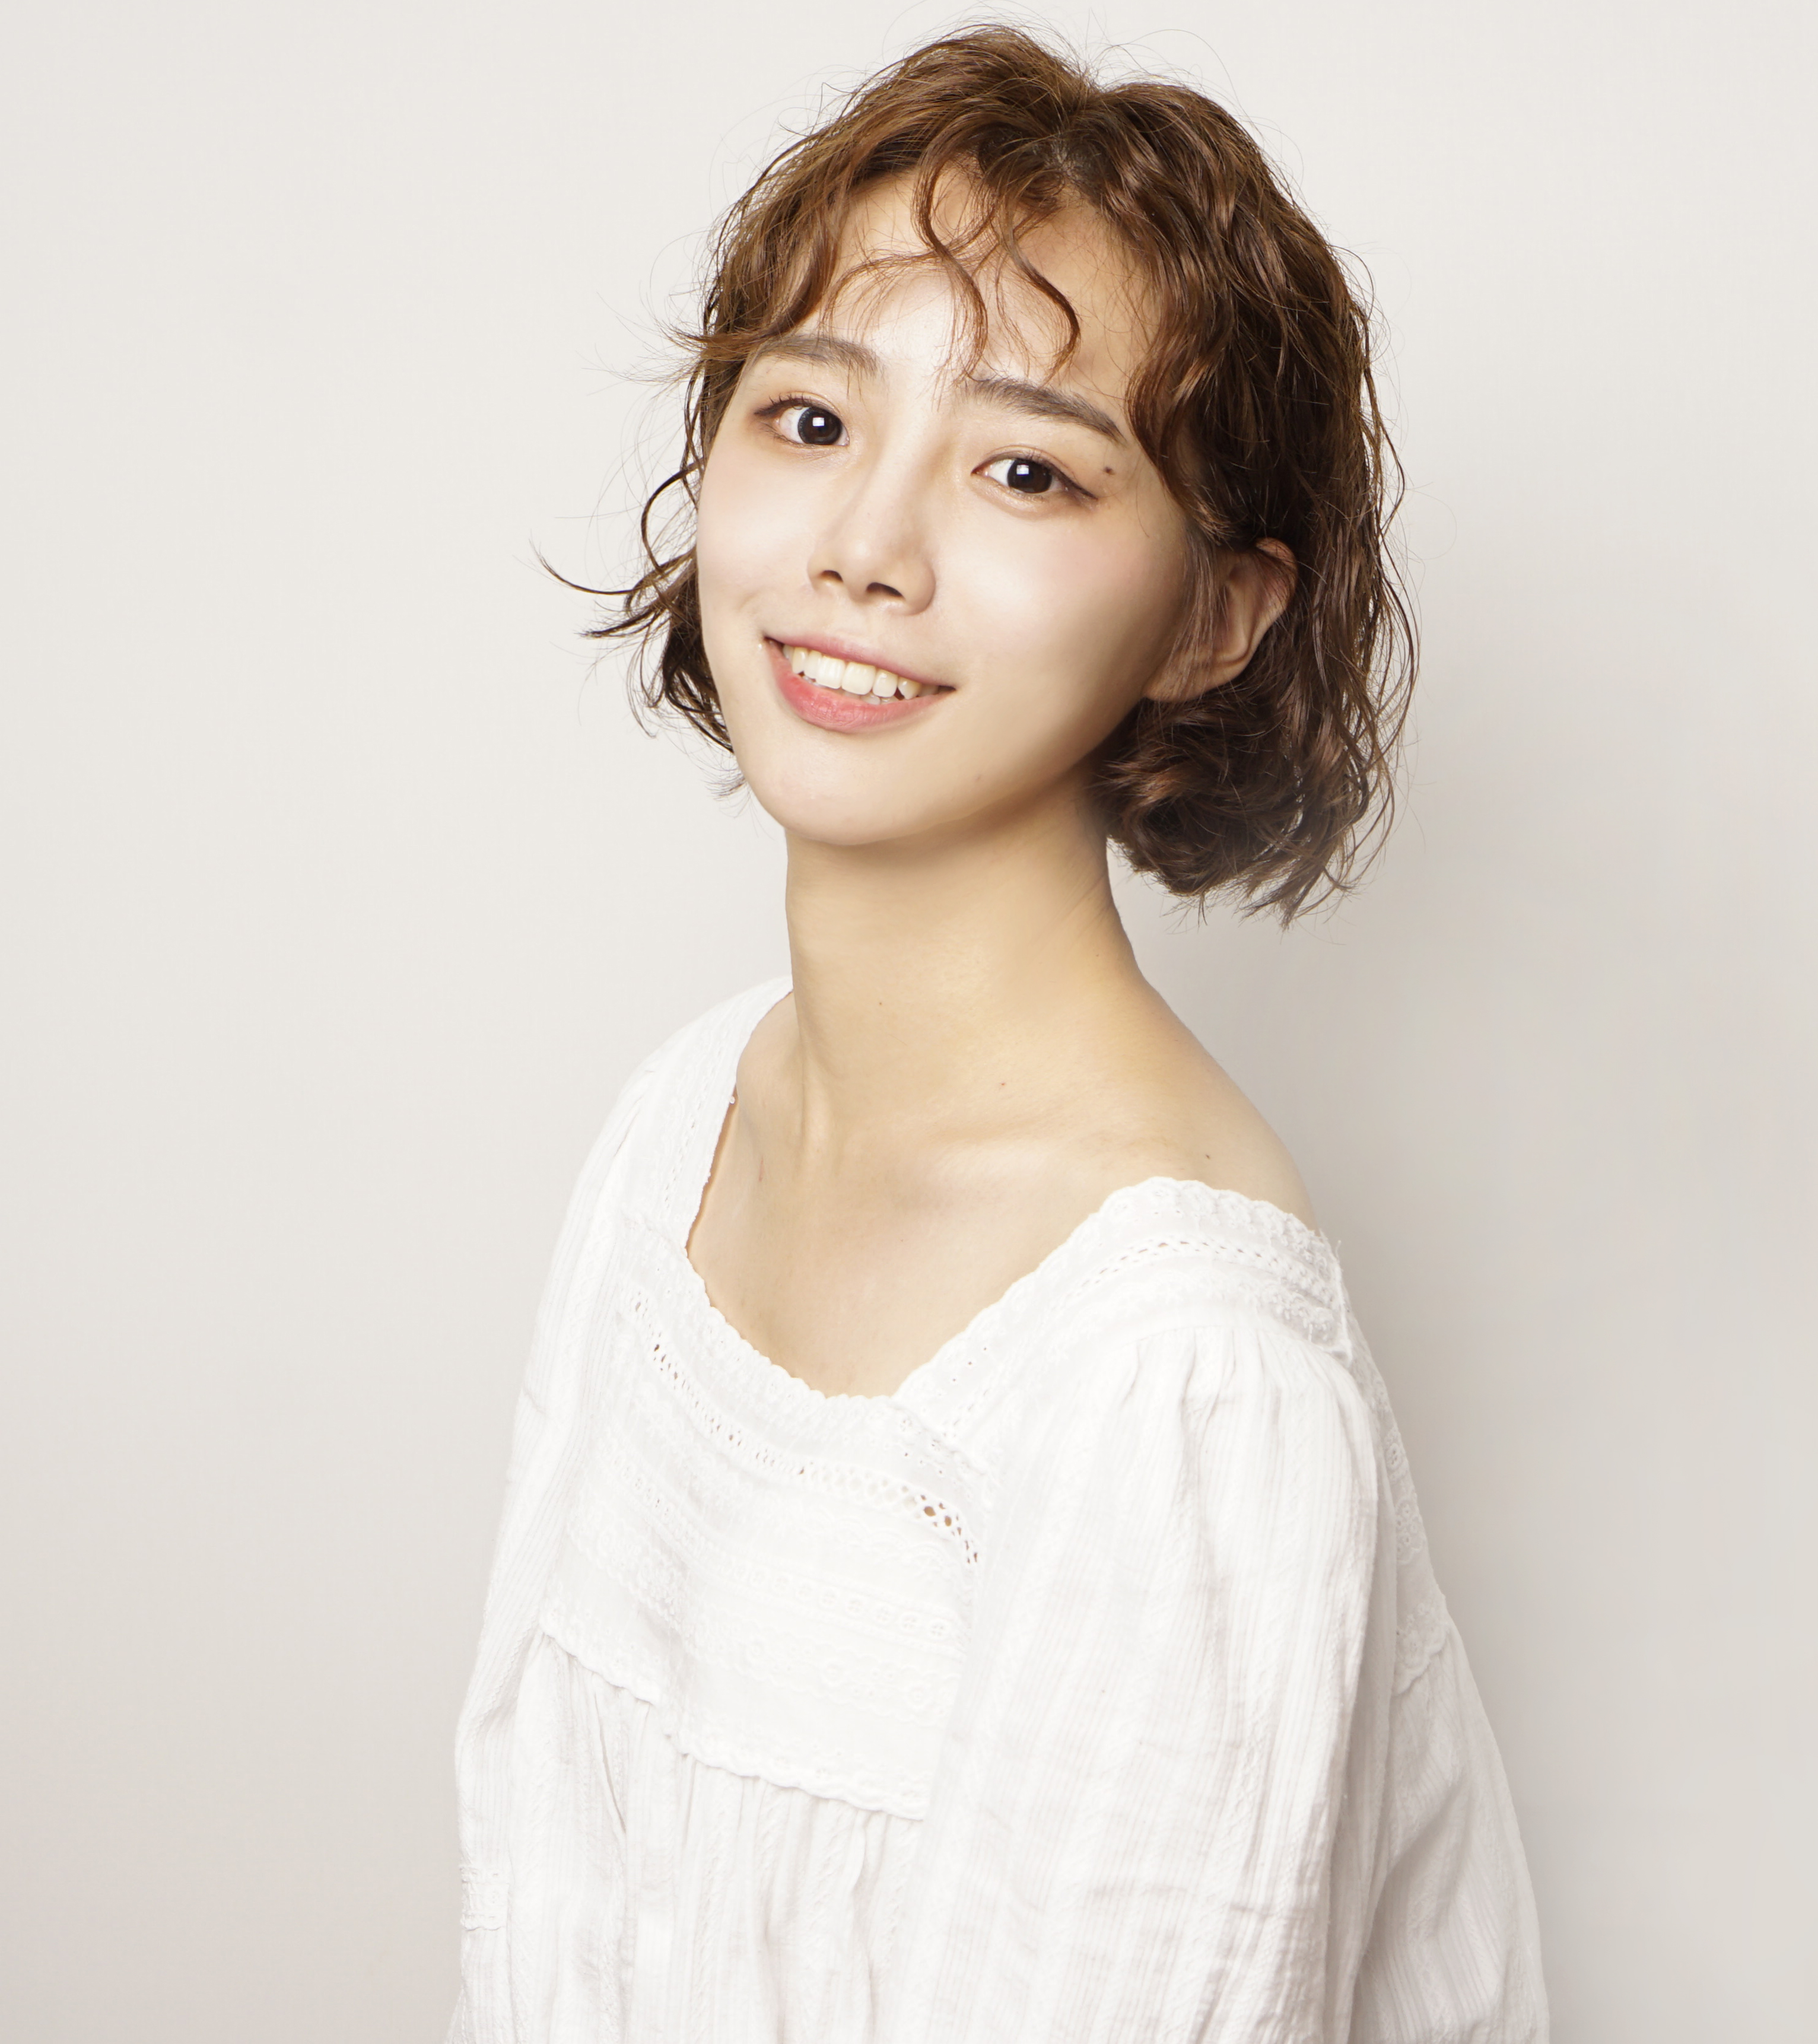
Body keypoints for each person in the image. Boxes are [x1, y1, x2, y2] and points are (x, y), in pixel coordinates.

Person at [447, 26, 1547, 2043]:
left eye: (1027, 468)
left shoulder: (1179, 1378)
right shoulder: (685, 1124)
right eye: (807, 418)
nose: (865, 547)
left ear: (1217, 615)